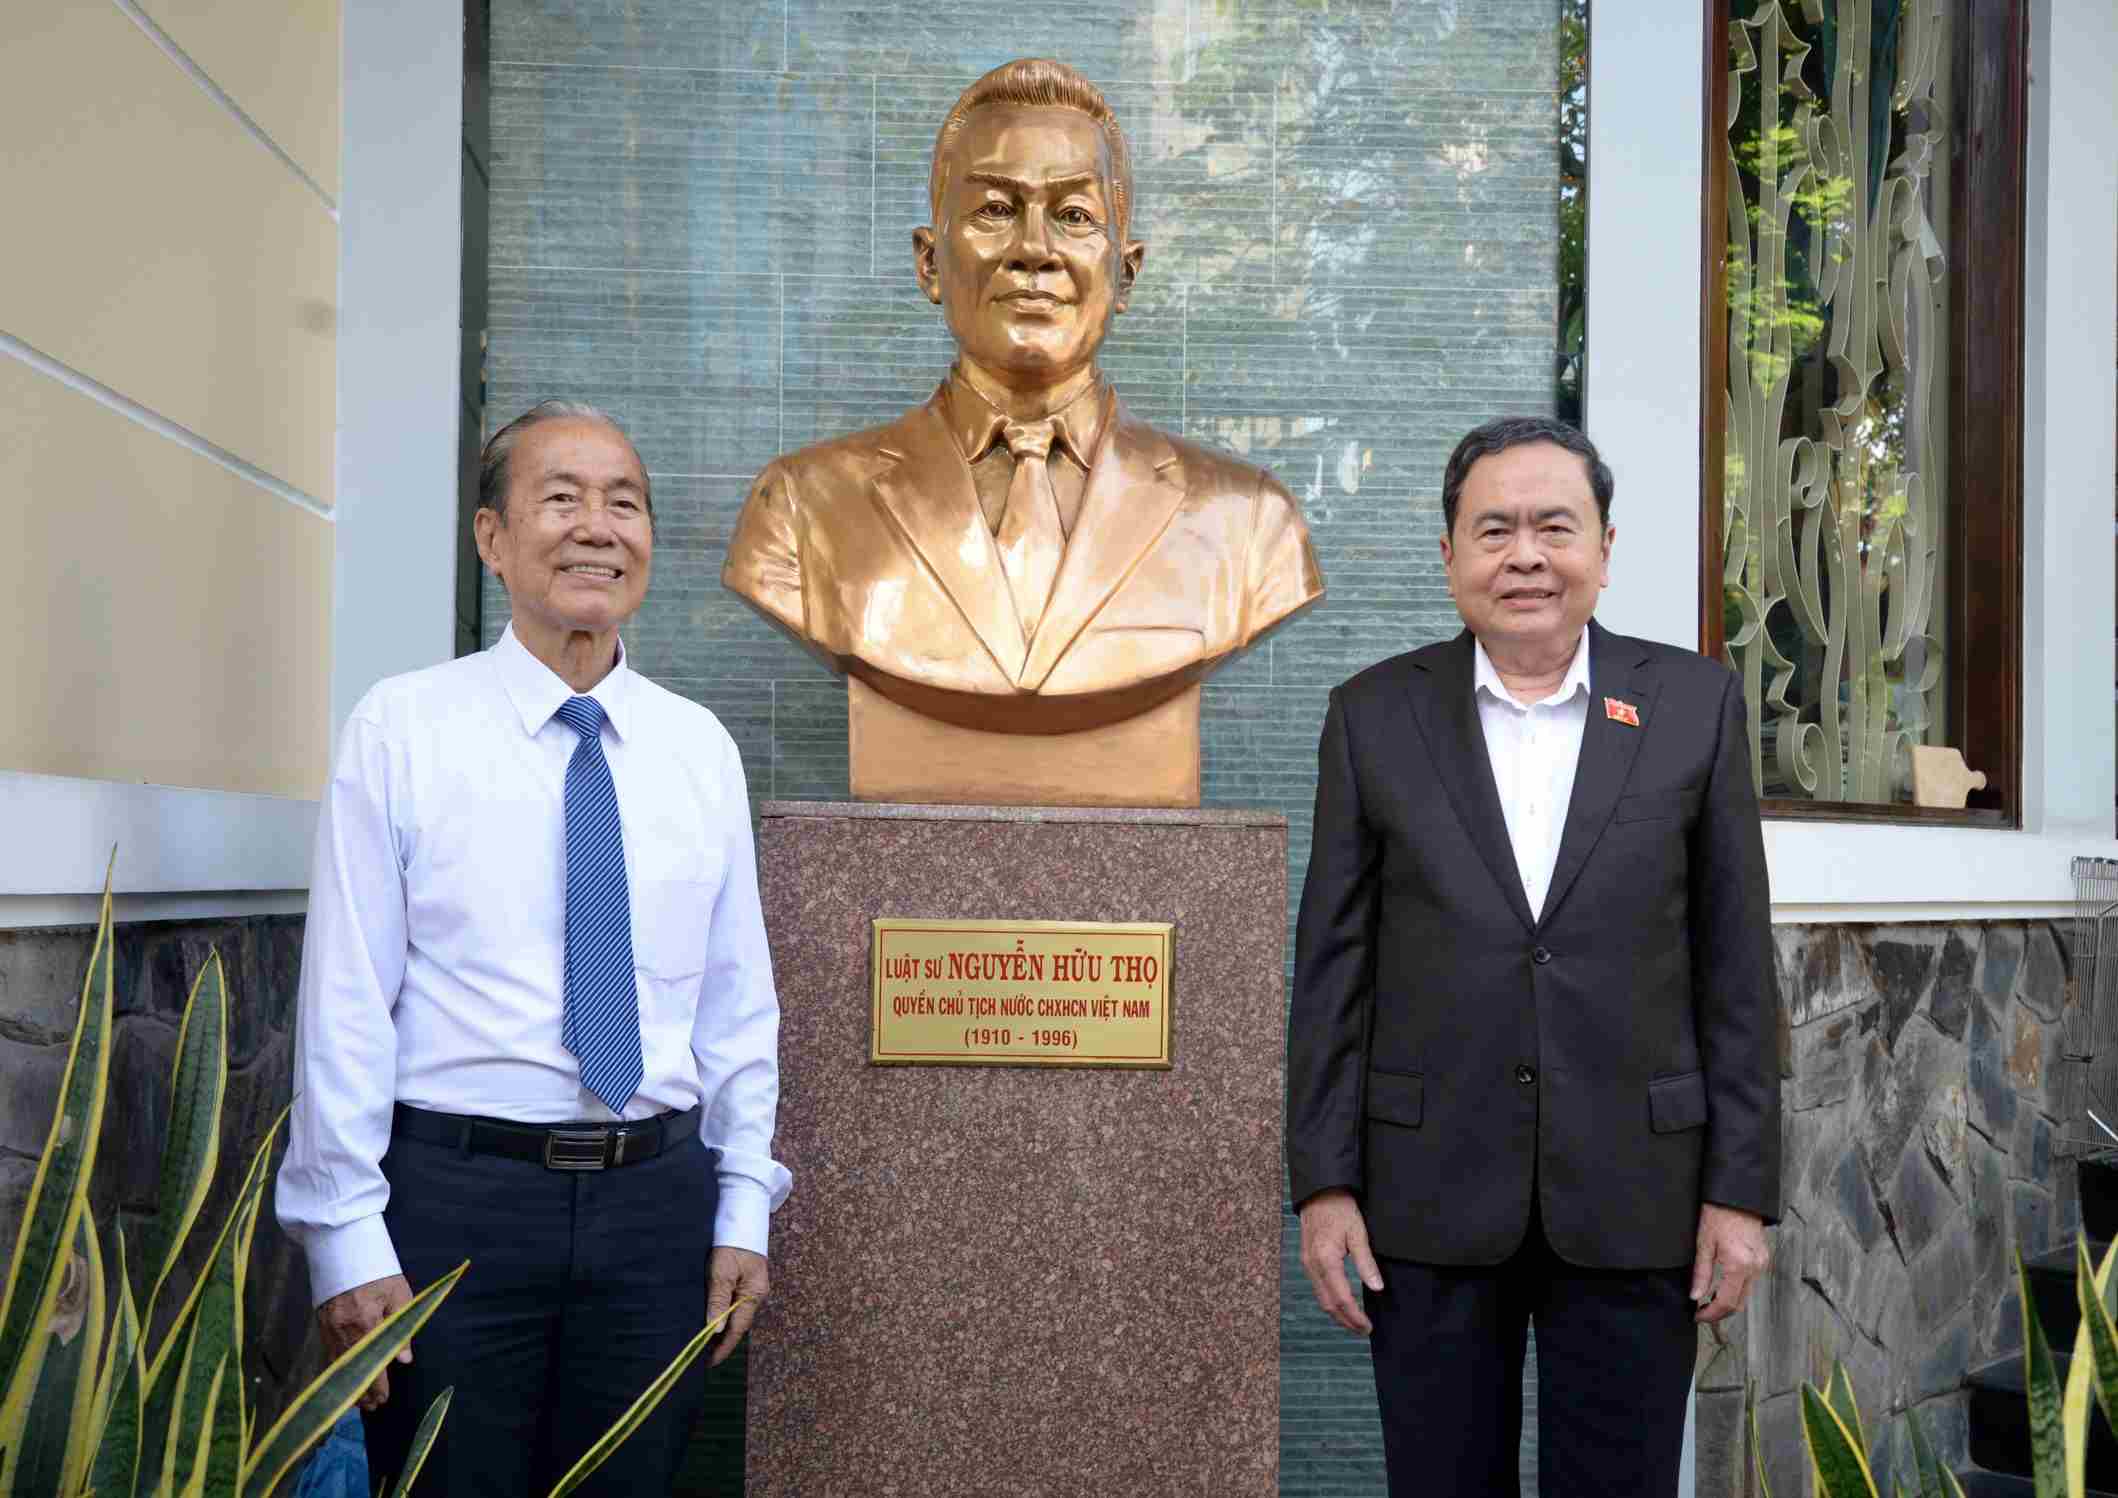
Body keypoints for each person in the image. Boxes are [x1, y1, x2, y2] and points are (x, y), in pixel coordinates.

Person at [276, 400, 789, 1496]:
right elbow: (346, 1005)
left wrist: (742, 1203)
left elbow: (738, 1010)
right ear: (493, 540)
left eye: (625, 501)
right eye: (562, 498)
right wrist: (343, 1238)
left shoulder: (699, 751)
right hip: (456, 1204)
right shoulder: (402, 731)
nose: (598, 526)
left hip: (656, 1212)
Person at [1284, 416, 1779, 1495]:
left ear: (1605, 548)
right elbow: (1333, 970)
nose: (1525, 556)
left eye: (1556, 526)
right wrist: (1324, 1185)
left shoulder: (1694, 707)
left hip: (1641, 1195)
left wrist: (1740, 1193)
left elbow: (1735, 967)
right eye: (1493, 528)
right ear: (1450, 554)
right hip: (1426, 1195)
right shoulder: (1372, 717)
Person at [721, 57, 1322, 740]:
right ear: (929, 263)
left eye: (1072, 214)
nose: (1034, 249)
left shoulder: (1248, 526)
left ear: (1125, 272)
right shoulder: (803, 510)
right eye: (996, 209)